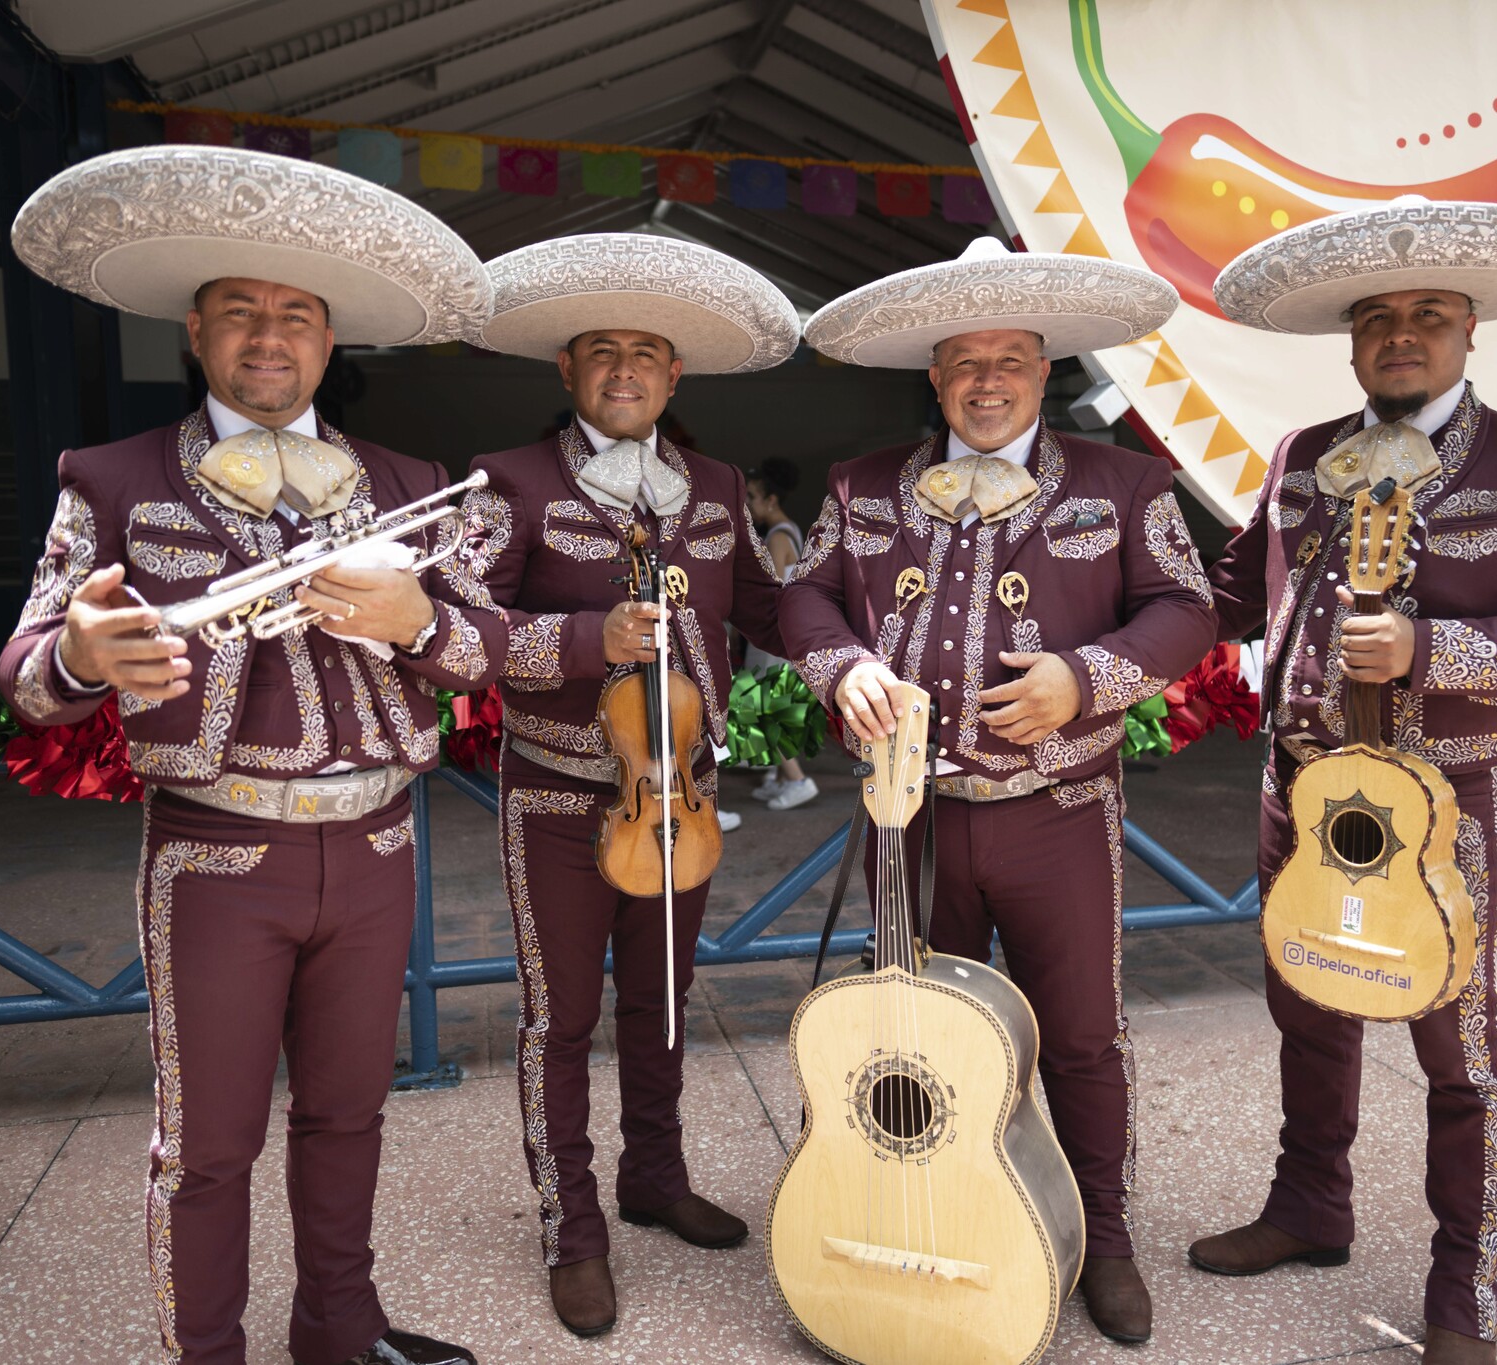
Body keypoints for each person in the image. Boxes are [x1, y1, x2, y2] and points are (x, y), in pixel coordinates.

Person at [0, 146, 504, 1365]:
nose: (267, 337)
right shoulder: (110, 479)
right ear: (196, 330)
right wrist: (80, 661)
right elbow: (24, 679)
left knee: (349, 1116)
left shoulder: (407, 482)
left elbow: (490, 652)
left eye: (294, 316)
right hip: (218, 854)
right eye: (240, 313)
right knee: (208, 1144)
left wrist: (420, 624)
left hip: (380, 840)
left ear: (331, 342)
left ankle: (339, 1332)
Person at [1193, 199, 1497, 1364]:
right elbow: (1227, 594)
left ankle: (1464, 1286)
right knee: (1307, 1003)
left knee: (1460, 1052)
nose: (1401, 334)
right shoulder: (1301, 458)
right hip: (1297, 788)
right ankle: (1308, 1207)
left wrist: (1432, 648)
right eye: (1377, 318)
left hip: (1447, 808)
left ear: (1469, 329)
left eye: (1427, 315)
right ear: (1349, 340)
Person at [781, 236, 1218, 1345]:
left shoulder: (1128, 483)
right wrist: (847, 668)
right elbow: (805, 599)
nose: (987, 381)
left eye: (1010, 359)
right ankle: (925, 1212)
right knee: (911, 1036)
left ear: (1042, 368)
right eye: (964, 361)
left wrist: (1082, 680)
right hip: (907, 817)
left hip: (1059, 813)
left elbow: (1185, 611)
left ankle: (1103, 1240)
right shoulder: (857, 482)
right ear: (933, 376)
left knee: (1076, 1034)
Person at [461, 232, 799, 1337]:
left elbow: (763, 602)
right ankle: (573, 1226)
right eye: (599, 352)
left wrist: (857, 641)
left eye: (644, 353)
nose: (622, 371)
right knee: (557, 1020)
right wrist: (578, 637)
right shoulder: (505, 482)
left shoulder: (713, 484)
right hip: (558, 794)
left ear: (672, 374)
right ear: (566, 369)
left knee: (660, 999)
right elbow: (457, 633)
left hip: (678, 796)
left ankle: (655, 1178)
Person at [743, 458, 819, 810]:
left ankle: (797, 780)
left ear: (771, 500)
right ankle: (776, 777)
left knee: (763, 709)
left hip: (772, 636)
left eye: (752, 497)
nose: (748, 505)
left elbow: (768, 590)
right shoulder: (791, 529)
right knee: (773, 706)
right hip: (786, 635)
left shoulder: (775, 536)